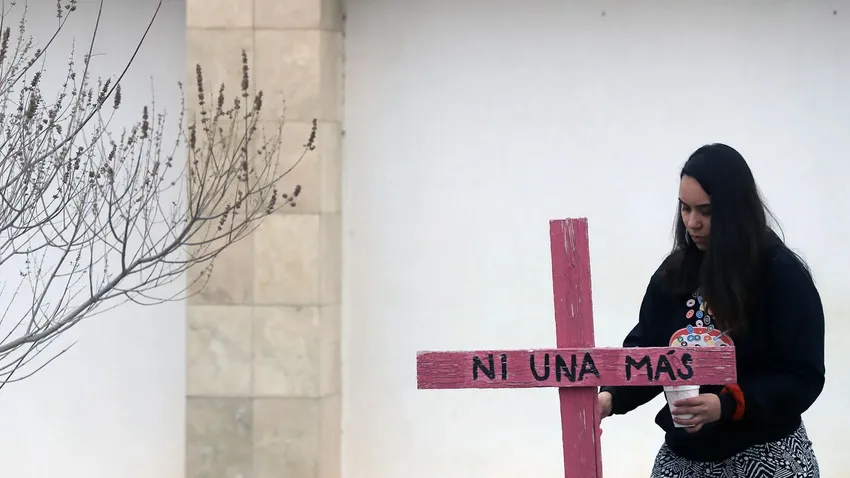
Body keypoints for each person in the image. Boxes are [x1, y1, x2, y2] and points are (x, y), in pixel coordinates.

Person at [598, 143, 825, 477]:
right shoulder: (673, 276)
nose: (693, 223)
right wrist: (609, 397)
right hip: (686, 457)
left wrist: (726, 405)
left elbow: (803, 377)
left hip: (768, 454)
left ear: (735, 211)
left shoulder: (782, 275)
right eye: (685, 209)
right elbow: (649, 354)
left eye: (706, 211)